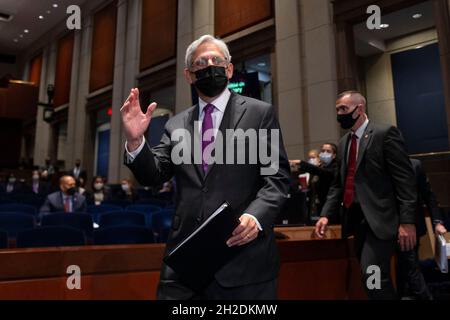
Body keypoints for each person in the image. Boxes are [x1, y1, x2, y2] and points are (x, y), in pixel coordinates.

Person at [120, 34, 290, 299]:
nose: (210, 65)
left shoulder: (260, 113)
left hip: (244, 261)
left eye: (217, 60)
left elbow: (276, 179)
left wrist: (255, 217)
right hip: (185, 267)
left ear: (229, 68)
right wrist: (135, 140)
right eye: (201, 62)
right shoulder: (175, 125)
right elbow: (153, 175)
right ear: (189, 75)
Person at [315, 90, 417, 300]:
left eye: (343, 109)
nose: (339, 114)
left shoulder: (385, 133)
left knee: (372, 273)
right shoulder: (344, 143)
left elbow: (405, 181)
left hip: (381, 221)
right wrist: (325, 214)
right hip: (356, 221)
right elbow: (338, 185)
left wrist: (407, 221)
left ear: (359, 109)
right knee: (371, 276)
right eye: (337, 110)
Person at [396, 158, 448, 299]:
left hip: (412, 228)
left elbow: (429, 196)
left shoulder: (414, 165)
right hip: (385, 229)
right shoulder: (377, 165)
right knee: (399, 271)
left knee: (411, 267)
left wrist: (437, 222)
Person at [290, 143, 338, 223]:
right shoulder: (321, 167)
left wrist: (300, 162)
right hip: (317, 206)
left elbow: (321, 172)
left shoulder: (335, 168)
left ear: (334, 155)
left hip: (331, 209)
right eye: (323, 151)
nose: (325, 153)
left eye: (328, 151)